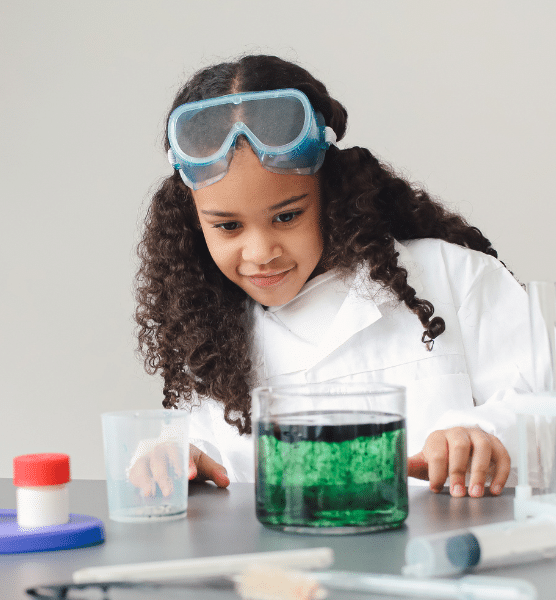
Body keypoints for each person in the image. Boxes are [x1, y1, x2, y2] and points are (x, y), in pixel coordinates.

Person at [133, 54, 534, 500]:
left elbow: (554, 407)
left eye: (287, 216)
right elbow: (206, 453)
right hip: (290, 569)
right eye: (228, 226)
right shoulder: (206, 336)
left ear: (329, 191)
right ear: (193, 222)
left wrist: (482, 432)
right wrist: (173, 454)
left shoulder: (454, 277)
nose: (261, 253)